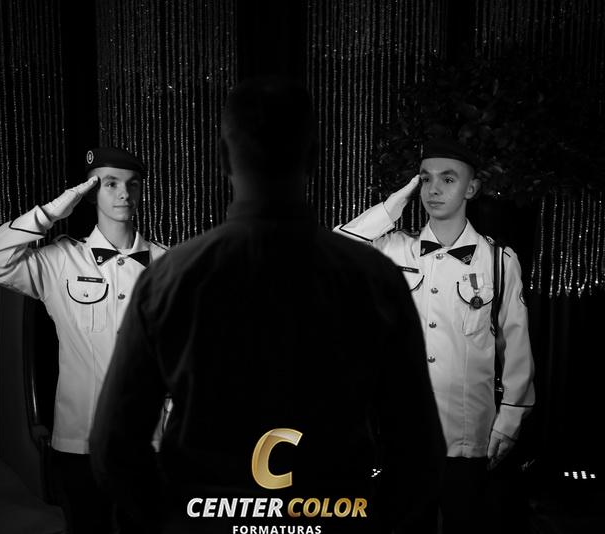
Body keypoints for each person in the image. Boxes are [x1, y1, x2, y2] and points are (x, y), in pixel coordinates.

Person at [89, 78, 445, 534]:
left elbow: (114, 448)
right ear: (314, 157)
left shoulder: (166, 280)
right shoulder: (376, 280)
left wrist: (176, 522)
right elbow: (419, 453)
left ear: (223, 158)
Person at [335, 138, 535, 533]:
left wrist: (510, 420)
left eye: (448, 179)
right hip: (404, 430)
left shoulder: (498, 260)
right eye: (425, 179)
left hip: (471, 433)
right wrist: (392, 206)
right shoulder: (394, 249)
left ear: (471, 188)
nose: (434, 189)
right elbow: (337, 248)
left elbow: (516, 345)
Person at [0, 147, 168, 533]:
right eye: (110, 183)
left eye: (133, 184)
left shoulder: (168, 263)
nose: (124, 193)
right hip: (80, 442)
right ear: (90, 192)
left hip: (149, 441)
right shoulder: (59, 261)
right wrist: (52, 212)